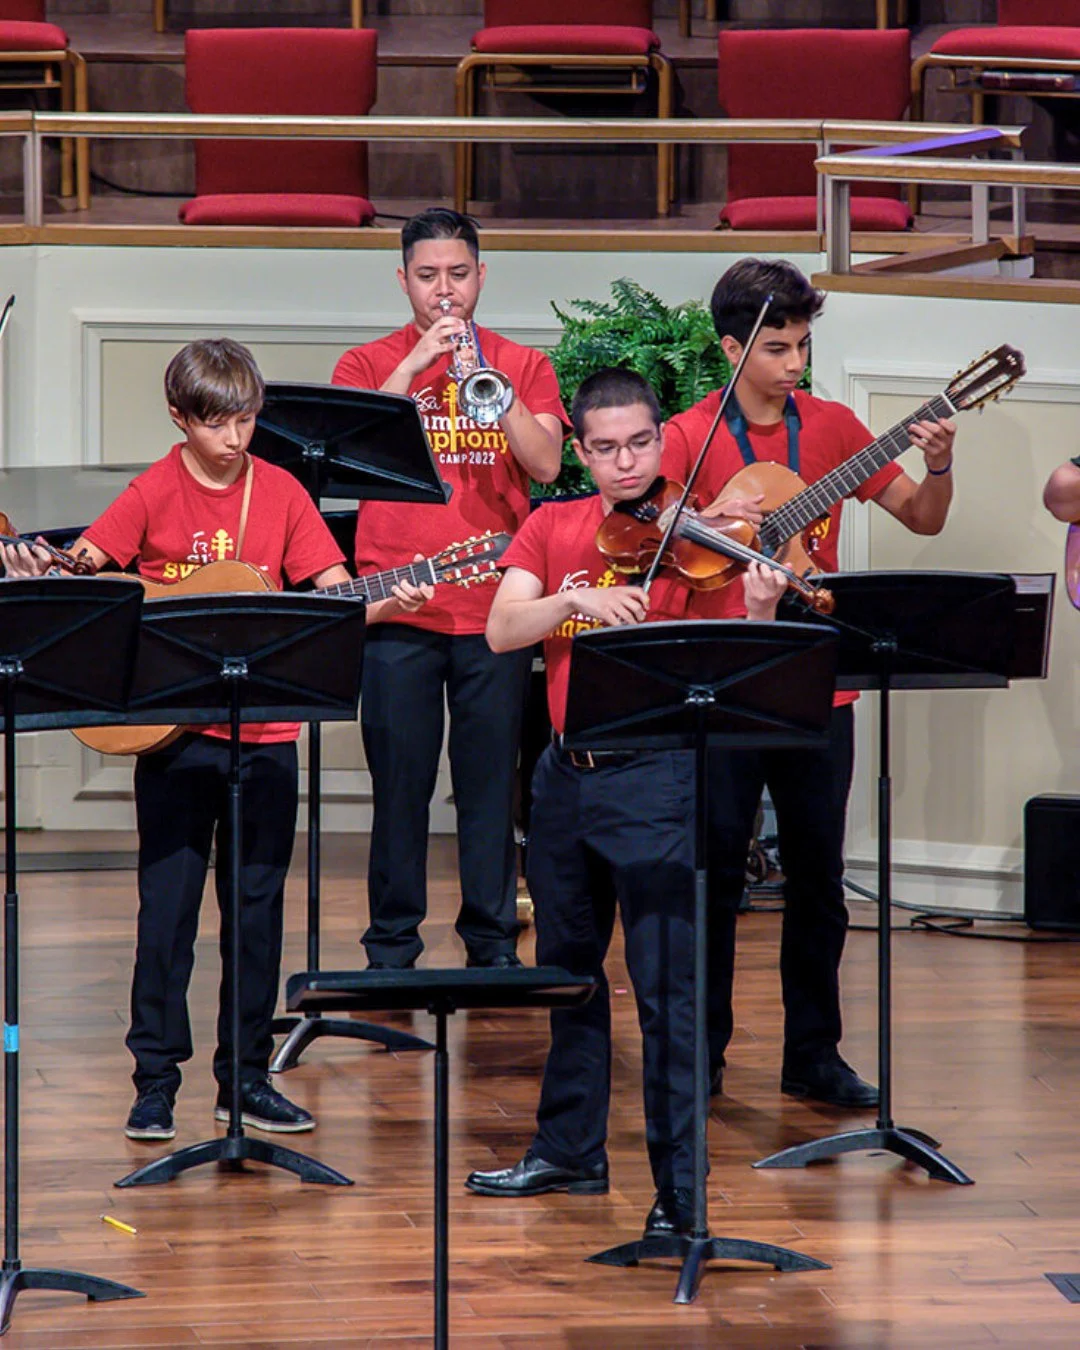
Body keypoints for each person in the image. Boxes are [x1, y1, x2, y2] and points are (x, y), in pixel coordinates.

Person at [0, 338, 431, 1143]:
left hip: (263, 733)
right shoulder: (154, 488)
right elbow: (88, 574)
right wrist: (42, 569)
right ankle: (155, 1082)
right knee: (165, 914)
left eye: (247, 420)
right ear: (180, 418)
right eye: (220, 424)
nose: (237, 438)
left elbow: (335, 600)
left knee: (254, 915)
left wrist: (387, 602)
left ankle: (243, 1080)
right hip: (172, 736)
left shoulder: (284, 493)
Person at [464, 367, 786, 1237]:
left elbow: (740, 672)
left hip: (658, 777)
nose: (625, 462)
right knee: (567, 975)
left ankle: (681, 1196)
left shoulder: (700, 535)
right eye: (604, 448)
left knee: (665, 995)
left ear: (660, 439)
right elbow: (501, 629)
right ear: (580, 450)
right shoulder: (551, 523)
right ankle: (570, 1150)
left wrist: (758, 611)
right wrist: (577, 597)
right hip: (566, 777)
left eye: (640, 444)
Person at [661, 258, 957, 1108]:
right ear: (731, 348)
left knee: (819, 879)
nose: (796, 364)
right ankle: (702, 1055)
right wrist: (706, 525)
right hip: (717, 681)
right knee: (711, 874)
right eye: (779, 347)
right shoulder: (687, 434)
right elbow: (641, 535)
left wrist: (937, 464)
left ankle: (813, 1054)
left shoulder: (829, 426)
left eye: (804, 346)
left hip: (819, 681)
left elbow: (921, 516)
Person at [332, 207, 568, 971]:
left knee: (490, 789)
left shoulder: (522, 364)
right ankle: (391, 949)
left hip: (493, 610)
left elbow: (546, 468)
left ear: (481, 277)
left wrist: (484, 390)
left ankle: (493, 944)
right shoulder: (365, 365)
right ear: (404, 281)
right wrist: (415, 369)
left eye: (458, 276)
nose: (445, 293)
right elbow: (350, 456)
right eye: (428, 277)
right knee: (399, 791)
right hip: (396, 607)